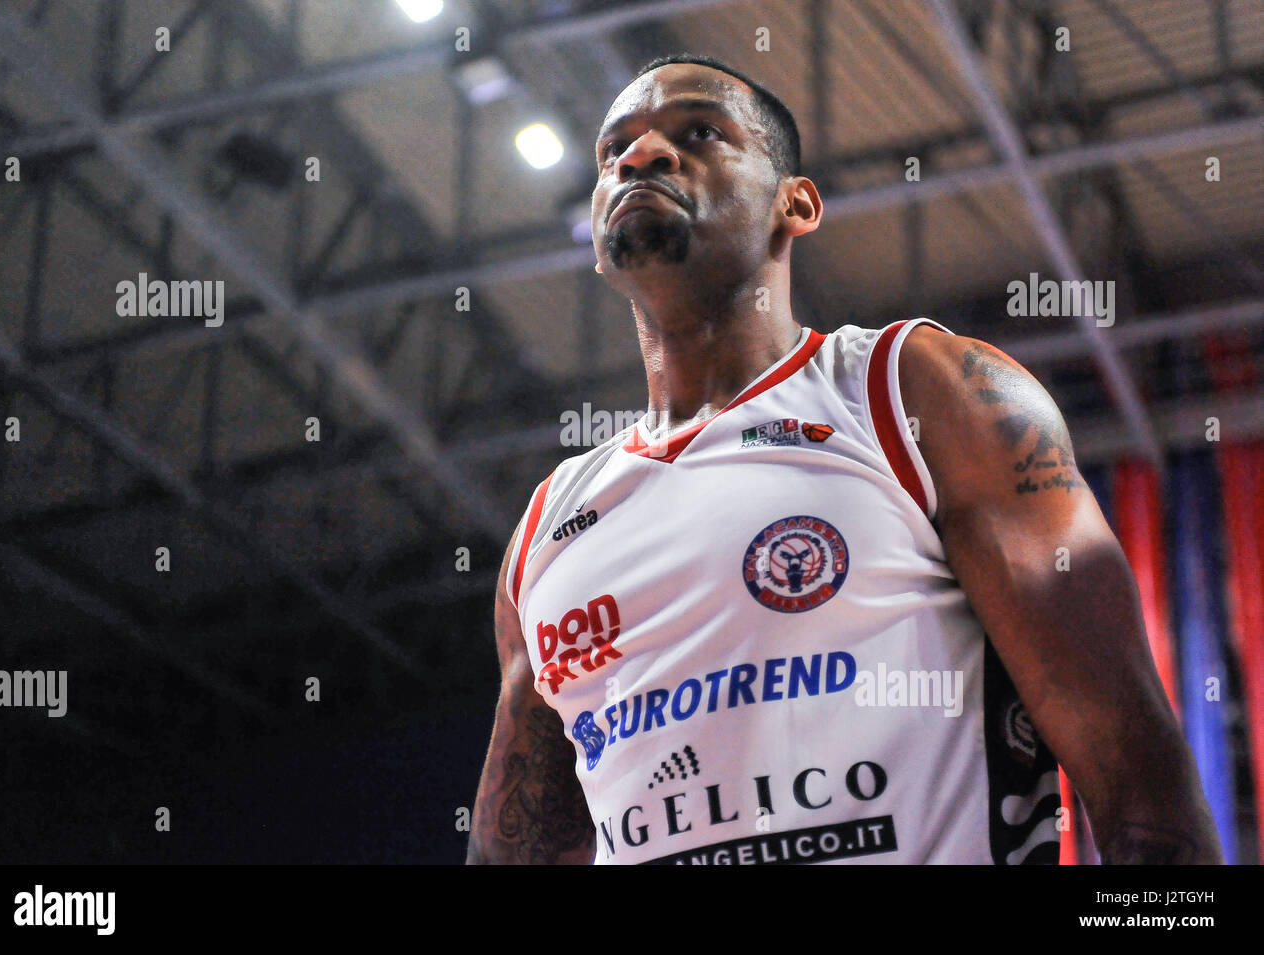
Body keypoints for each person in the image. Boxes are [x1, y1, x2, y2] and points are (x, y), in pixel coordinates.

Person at [466, 54, 1222, 865]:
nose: (642, 154)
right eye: (615, 149)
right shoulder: (547, 528)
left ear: (797, 203)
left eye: (699, 132)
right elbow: (516, 852)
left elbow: (1137, 774)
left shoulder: (917, 393)